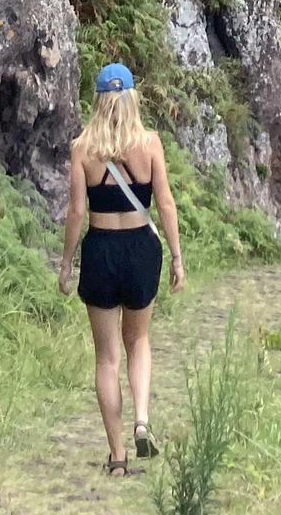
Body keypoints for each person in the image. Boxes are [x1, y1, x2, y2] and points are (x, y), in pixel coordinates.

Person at [57, 60, 186, 477]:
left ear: (98, 101)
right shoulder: (149, 143)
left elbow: (76, 211)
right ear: (132, 98)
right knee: (140, 341)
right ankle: (142, 419)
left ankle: (116, 458)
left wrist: (66, 263)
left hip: (100, 251)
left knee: (106, 359)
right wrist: (178, 258)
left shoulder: (82, 148)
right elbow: (165, 203)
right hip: (141, 249)